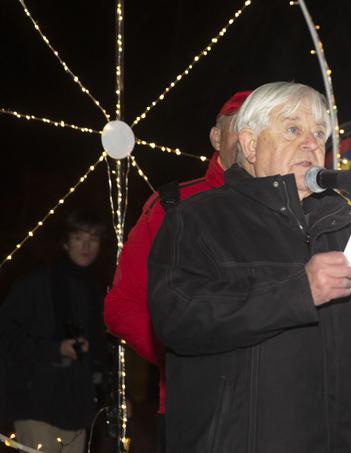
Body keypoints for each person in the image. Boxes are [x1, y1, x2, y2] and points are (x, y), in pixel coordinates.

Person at [147, 81, 351, 452]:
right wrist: (298, 291)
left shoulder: (345, 227)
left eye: (319, 134)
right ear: (250, 144)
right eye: (293, 129)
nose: (311, 143)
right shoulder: (198, 218)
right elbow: (177, 318)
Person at [103, 90, 251, 449]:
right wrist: (183, 357)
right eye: (241, 128)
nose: (250, 141)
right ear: (217, 137)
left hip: (275, 409)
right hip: (195, 407)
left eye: (261, 129)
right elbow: (121, 306)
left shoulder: (289, 212)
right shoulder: (175, 205)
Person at [0, 210, 109, 453]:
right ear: (66, 242)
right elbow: (6, 334)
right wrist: (55, 349)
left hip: (76, 407)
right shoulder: (36, 284)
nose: (87, 245)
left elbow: (102, 353)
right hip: (36, 403)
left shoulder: (96, 291)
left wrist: (112, 395)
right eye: (80, 237)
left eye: (94, 239)